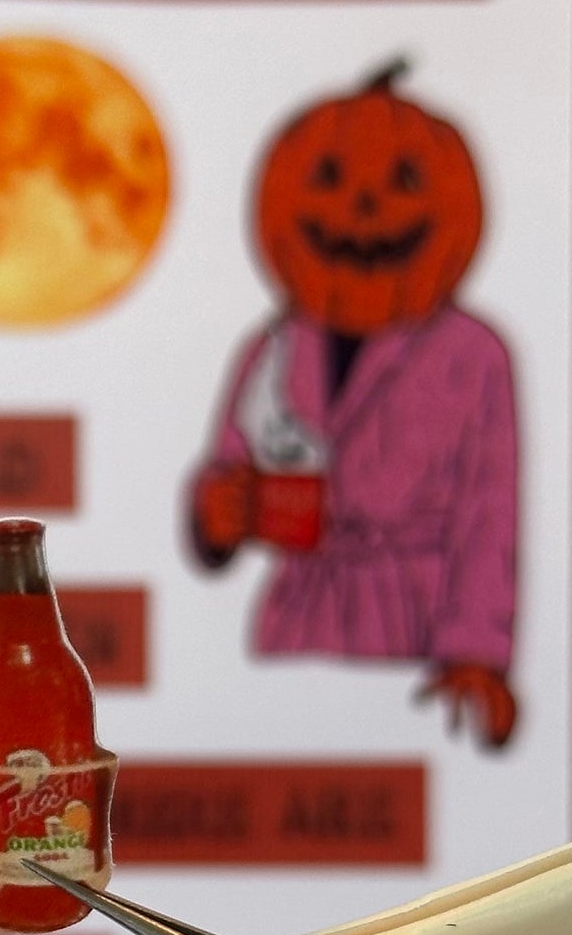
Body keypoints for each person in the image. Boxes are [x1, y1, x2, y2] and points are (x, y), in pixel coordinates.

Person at [190, 63, 521, 751]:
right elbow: (227, 468)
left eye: (404, 180)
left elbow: (489, 515)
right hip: (297, 622)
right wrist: (218, 517)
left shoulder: (475, 355)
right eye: (329, 178)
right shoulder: (272, 349)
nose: (364, 206)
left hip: (413, 629)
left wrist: (476, 653)